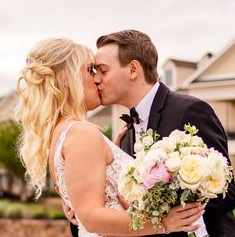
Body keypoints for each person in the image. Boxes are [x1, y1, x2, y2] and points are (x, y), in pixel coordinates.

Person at [15, 37, 203, 237]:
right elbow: (91, 217)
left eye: (99, 71)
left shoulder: (61, 134)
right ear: (65, 78)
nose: (96, 79)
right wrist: (164, 222)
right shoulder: (81, 133)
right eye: (90, 70)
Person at [87, 30, 235, 237]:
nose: (96, 79)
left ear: (133, 69)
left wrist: (161, 215)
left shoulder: (190, 111)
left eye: (103, 71)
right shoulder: (125, 135)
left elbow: (224, 194)